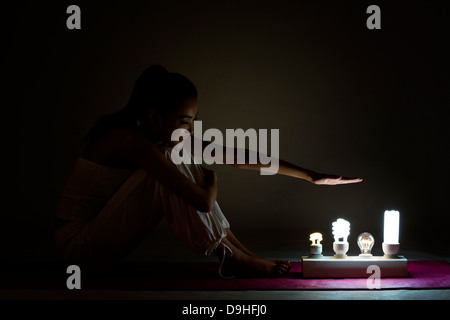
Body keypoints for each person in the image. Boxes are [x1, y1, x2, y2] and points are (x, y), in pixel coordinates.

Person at [54, 65, 362, 277]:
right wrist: (211, 178)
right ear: (153, 115)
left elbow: (238, 155)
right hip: (78, 251)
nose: (190, 127)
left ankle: (239, 255)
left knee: (176, 155)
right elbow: (201, 201)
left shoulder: (159, 139)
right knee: (173, 160)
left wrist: (311, 176)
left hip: (99, 246)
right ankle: (234, 258)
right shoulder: (126, 139)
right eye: (185, 120)